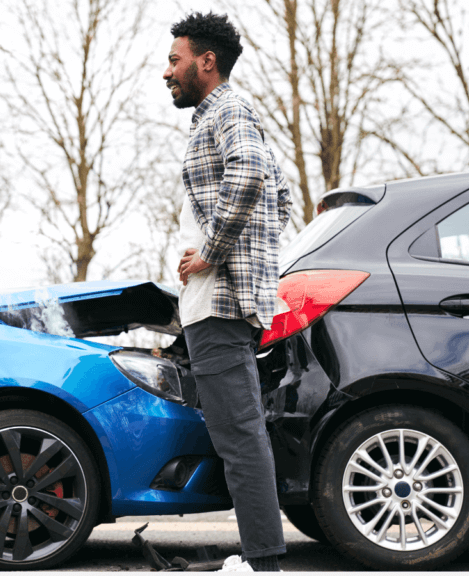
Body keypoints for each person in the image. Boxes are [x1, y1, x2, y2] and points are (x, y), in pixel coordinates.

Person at [164, 12, 292, 573]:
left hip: (218, 303)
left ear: (205, 61)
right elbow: (280, 195)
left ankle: (264, 560)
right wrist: (248, 258)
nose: (166, 71)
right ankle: (261, 555)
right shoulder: (222, 116)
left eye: (175, 60)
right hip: (221, 298)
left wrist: (214, 253)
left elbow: (251, 178)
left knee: (239, 437)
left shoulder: (228, 109)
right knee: (239, 435)